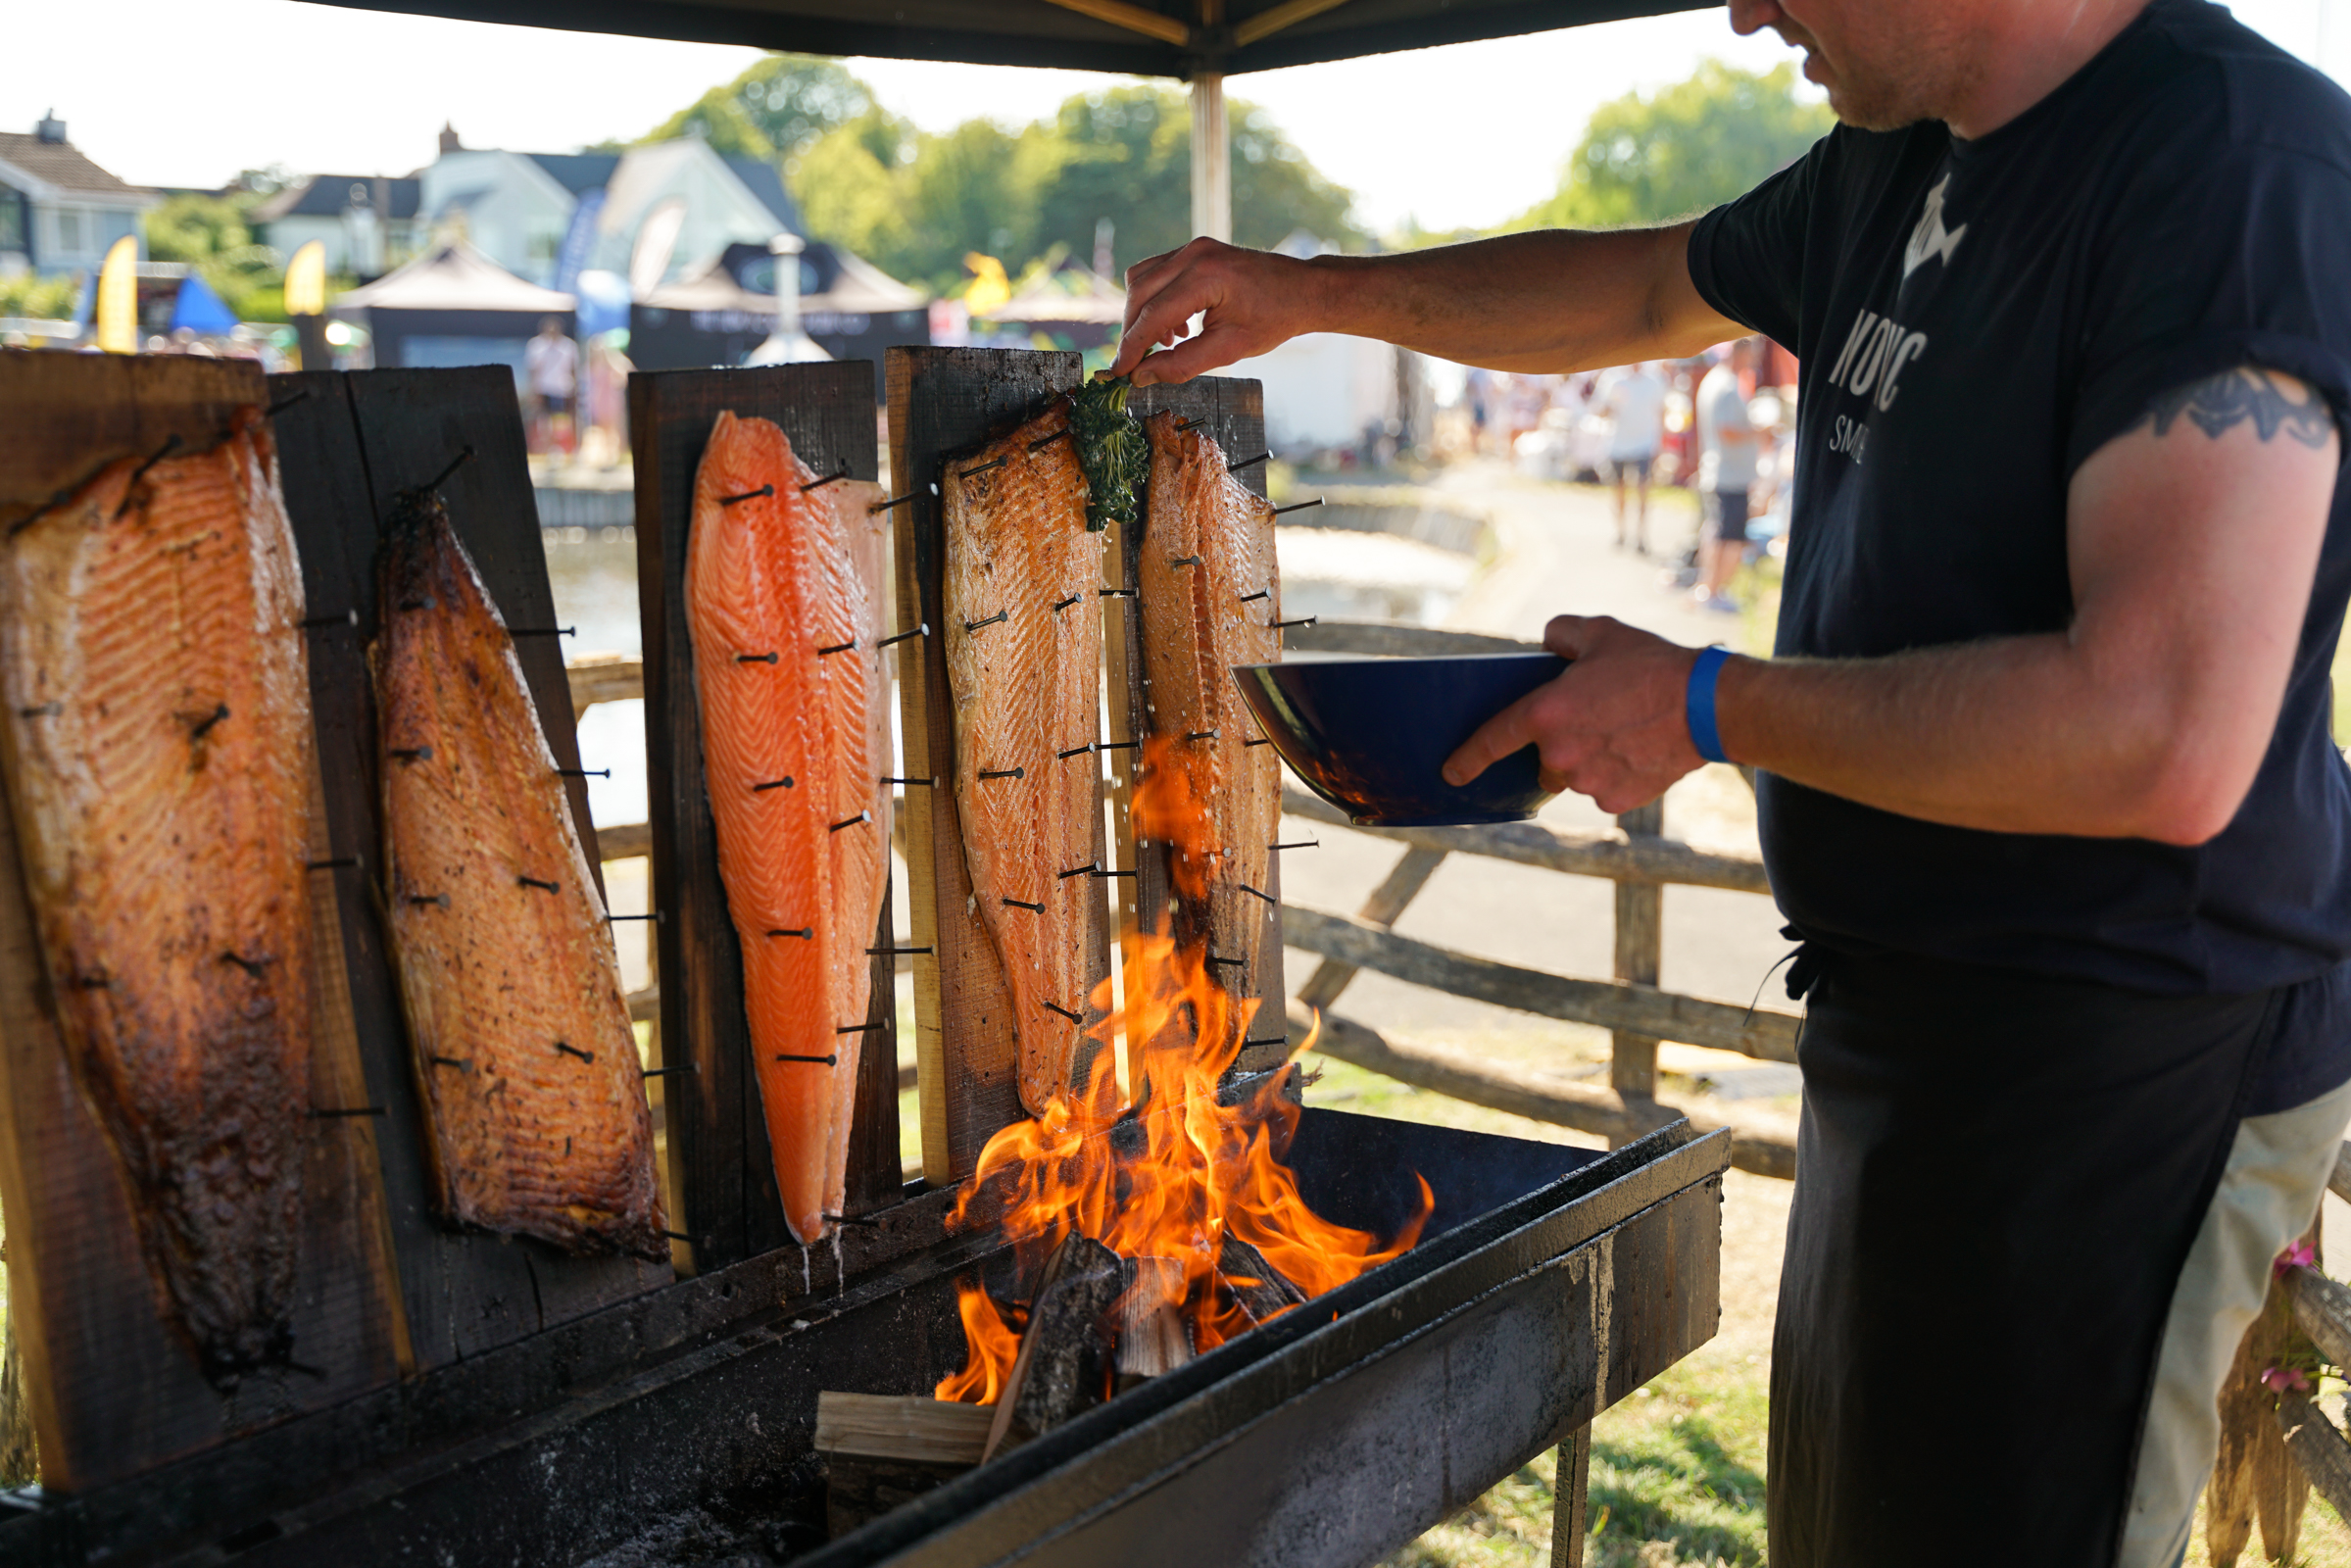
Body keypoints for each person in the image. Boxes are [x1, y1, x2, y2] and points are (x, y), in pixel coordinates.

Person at [1106, 3, 2351, 1564]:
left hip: (2122, 1058)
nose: (1746, 9)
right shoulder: (1888, 157)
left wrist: (1705, 702)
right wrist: (1310, 296)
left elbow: (2159, 734)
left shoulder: (2231, 170)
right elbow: (1640, 286)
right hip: (1905, 1022)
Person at [1692, 338, 1765, 612]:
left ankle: (1709, 589)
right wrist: (1761, 430)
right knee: (1728, 537)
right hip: (1728, 474)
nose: (1754, 359)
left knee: (1717, 532)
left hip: (1724, 471)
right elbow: (1728, 431)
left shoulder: (1719, 381)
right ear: (1740, 352)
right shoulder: (1725, 385)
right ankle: (1713, 591)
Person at [1595, 361, 1667, 552]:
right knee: (1619, 490)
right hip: (1617, 444)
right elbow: (1601, 411)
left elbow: (1660, 411)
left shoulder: (1654, 381)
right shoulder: (1612, 379)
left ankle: (1641, 536)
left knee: (1643, 490)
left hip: (1644, 443)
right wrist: (1611, 403)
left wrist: (1660, 444)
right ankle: (1621, 532)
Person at [523, 316, 577, 458]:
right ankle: (547, 449)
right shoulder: (536, 346)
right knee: (544, 420)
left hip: (563, 388)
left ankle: (561, 448)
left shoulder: (569, 346)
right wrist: (533, 390)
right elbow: (533, 370)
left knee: (561, 420)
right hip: (543, 388)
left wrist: (575, 388)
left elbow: (573, 369)